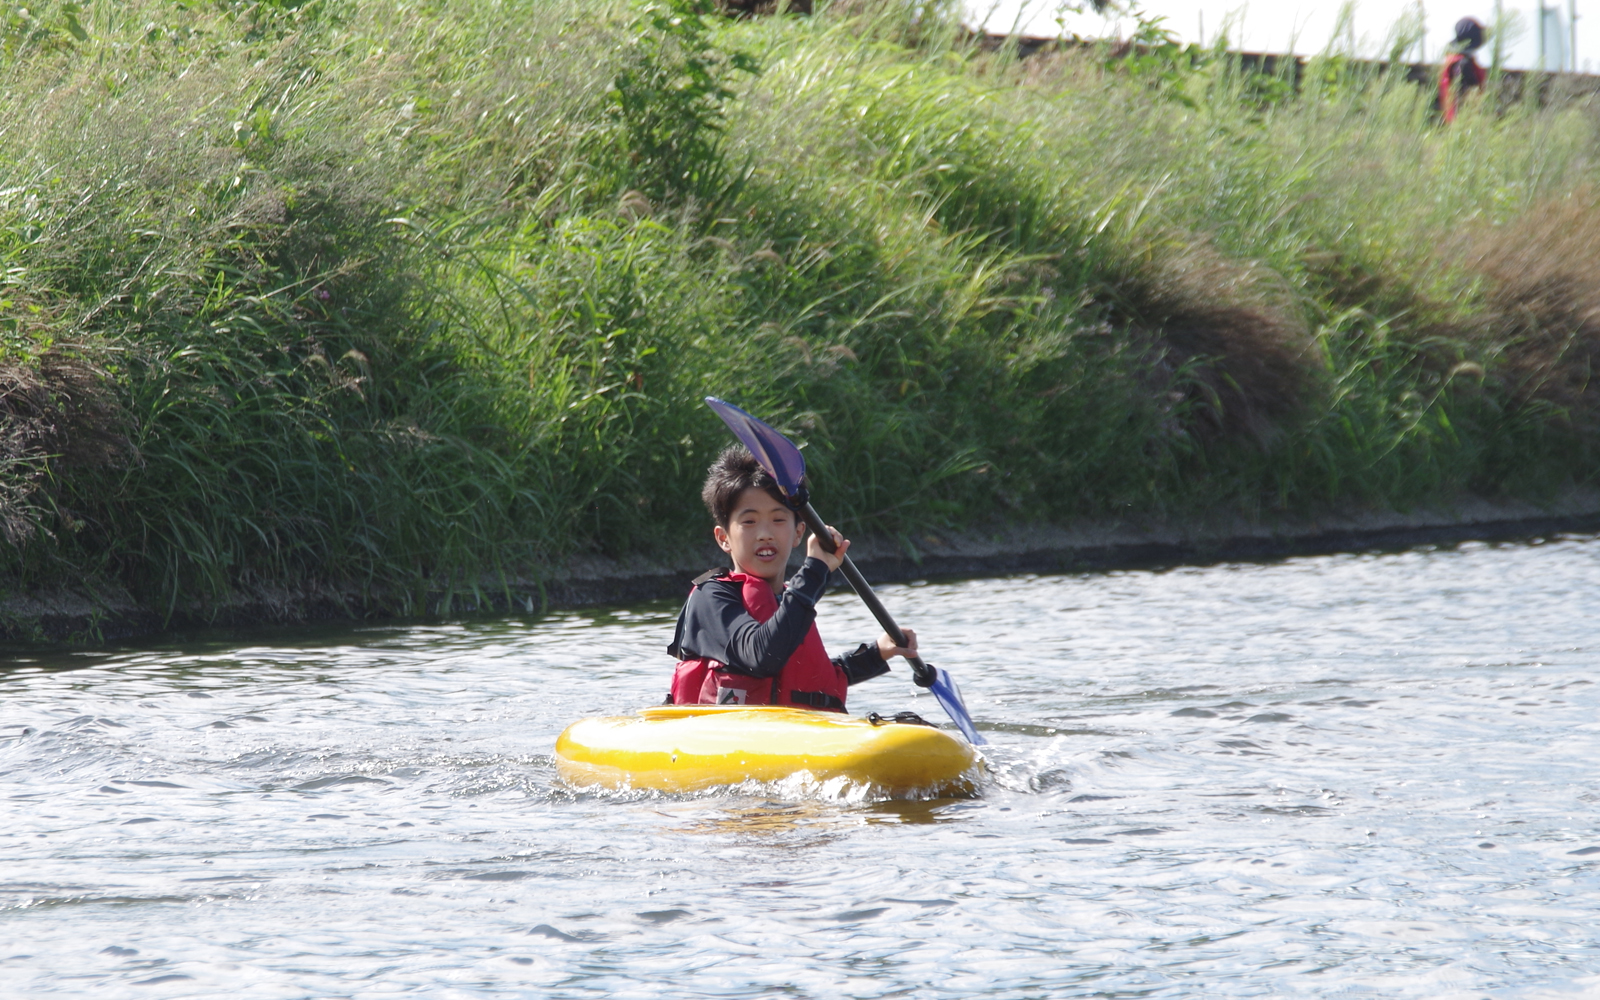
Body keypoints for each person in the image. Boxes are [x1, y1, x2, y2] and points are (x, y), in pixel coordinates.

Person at [665, 446, 916, 711]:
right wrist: (814, 571)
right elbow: (762, 656)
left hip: (799, 731)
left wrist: (878, 652)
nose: (765, 533)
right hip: (727, 735)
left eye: (778, 519)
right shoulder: (711, 598)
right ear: (723, 538)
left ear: (798, 533)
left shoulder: (790, 602)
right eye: (749, 522)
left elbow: (813, 679)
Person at [1440, 17, 1487, 124]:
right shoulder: (1463, 64)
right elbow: (1468, 94)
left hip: (1457, 120)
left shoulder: (1455, 60)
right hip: (1465, 121)